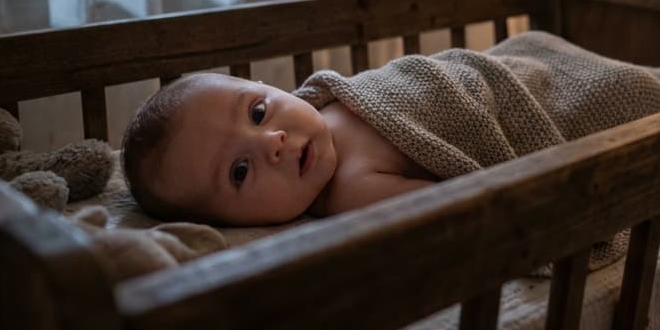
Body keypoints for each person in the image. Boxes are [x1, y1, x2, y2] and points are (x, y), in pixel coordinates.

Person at [121, 72, 437, 226]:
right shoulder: (353, 190)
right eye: (239, 172)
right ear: (233, 222)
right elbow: (473, 201)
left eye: (258, 112)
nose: (272, 141)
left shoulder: (322, 99)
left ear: (264, 84)